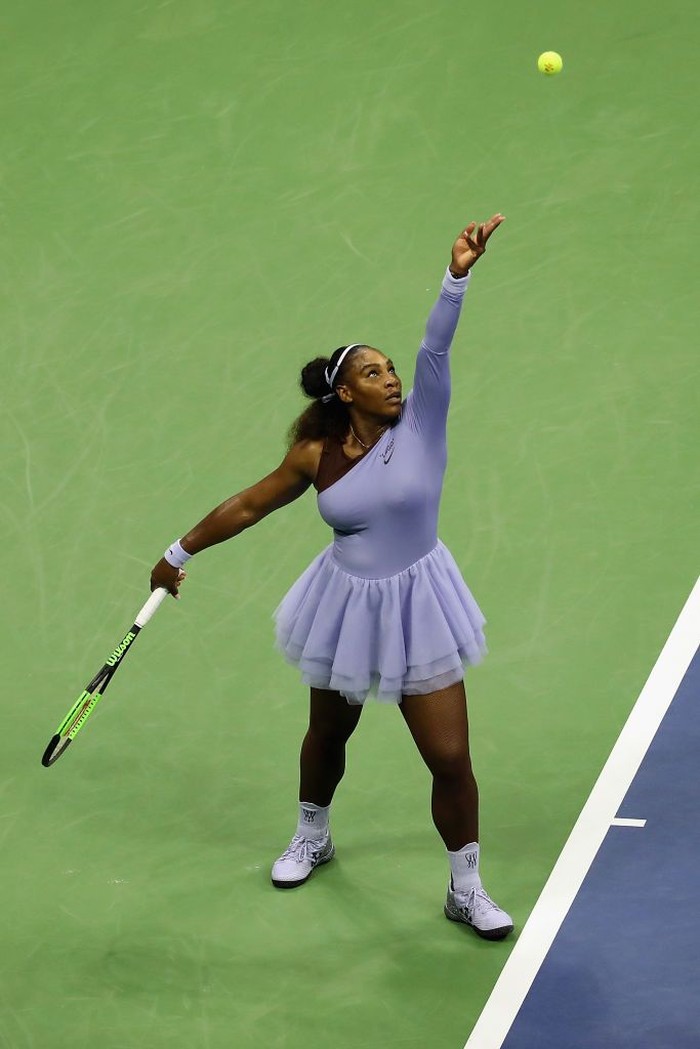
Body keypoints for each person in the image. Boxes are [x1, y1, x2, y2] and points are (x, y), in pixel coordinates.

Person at [150, 214, 513, 940]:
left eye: (390, 369)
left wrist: (458, 272)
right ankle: (311, 833)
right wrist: (178, 552)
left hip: (420, 601)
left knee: (448, 755)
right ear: (346, 392)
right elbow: (251, 503)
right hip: (345, 603)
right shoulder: (316, 454)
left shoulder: (424, 422)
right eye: (373, 373)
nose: (392, 378)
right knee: (328, 732)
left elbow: (436, 341)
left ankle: (465, 887)